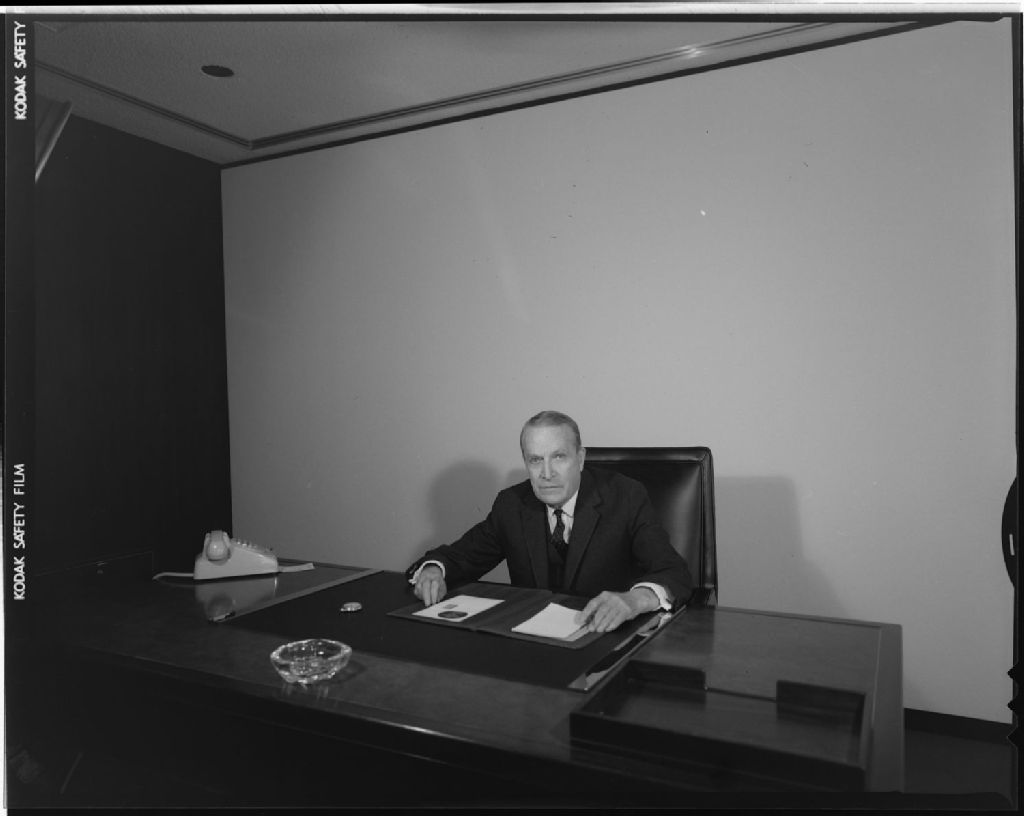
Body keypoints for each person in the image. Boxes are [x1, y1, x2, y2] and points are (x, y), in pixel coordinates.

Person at [406, 411, 693, 633]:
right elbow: (459, 557)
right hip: (534, 645)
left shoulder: (625, 497)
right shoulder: (512, 504)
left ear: (580, 458)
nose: (546, 473)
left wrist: (634, 600)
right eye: (535, 460)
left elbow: (674, 572)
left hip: (606, 644)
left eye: (558, 457)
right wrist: (433, 569)